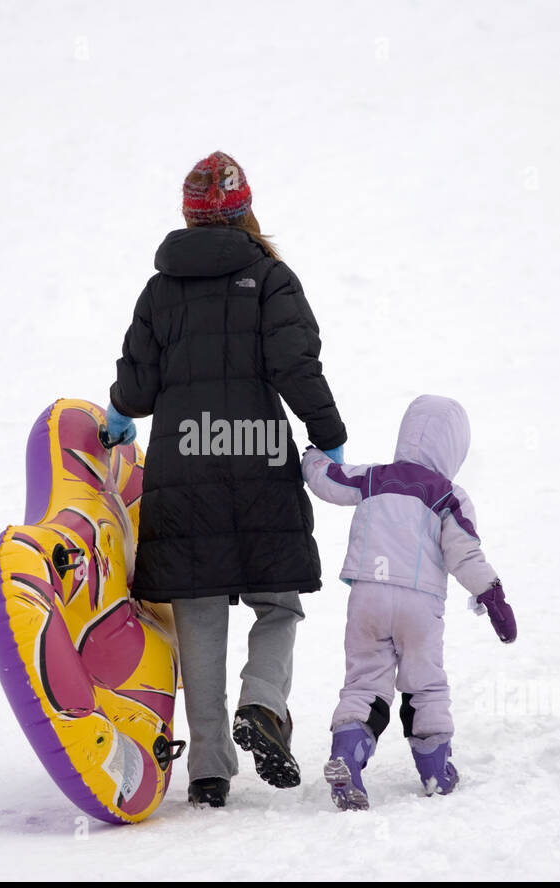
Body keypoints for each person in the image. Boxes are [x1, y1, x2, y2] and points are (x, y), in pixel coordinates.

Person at [104, 151, 347, 808]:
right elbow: (298, 366)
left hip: (184, 467)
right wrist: (329, 434)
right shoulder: (270, 278)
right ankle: (263, 704)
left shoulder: (160, 291)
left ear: (188, 215)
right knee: (278, 600)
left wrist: (120, 414)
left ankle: (210, 768)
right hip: (260, 460)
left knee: (199, 608)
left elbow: (138, 383)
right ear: (244, 211)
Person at [300, 394, 517, 810]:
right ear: (454, 448)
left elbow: (330, 480)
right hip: (420, 603)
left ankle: (348, 755)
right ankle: (435, 769)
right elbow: (465, 554)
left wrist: (310, 458)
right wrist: (492, 594)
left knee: (364, 682)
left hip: (368, 596)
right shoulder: (449, 495)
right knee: (426, 684)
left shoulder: (374, 477)